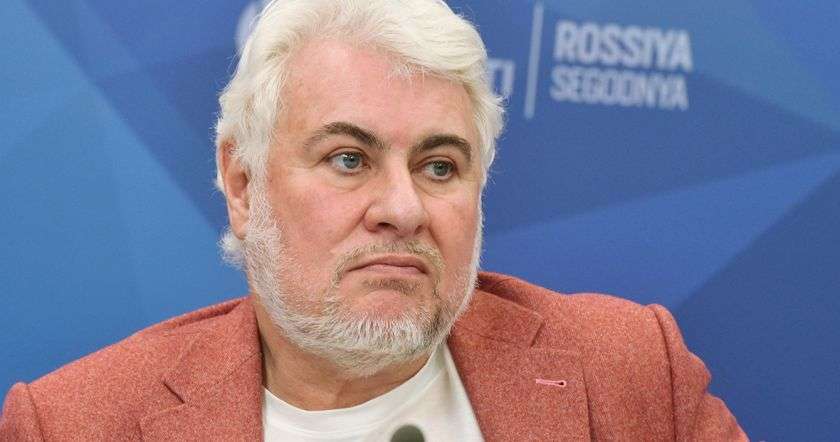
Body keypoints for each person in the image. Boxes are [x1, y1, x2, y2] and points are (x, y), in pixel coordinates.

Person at [0, 0, 746, 440]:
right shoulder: (72, 425)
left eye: (440, 166)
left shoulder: (628, 373)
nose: (403, 209)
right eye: (349, 159)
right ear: (244, 184)